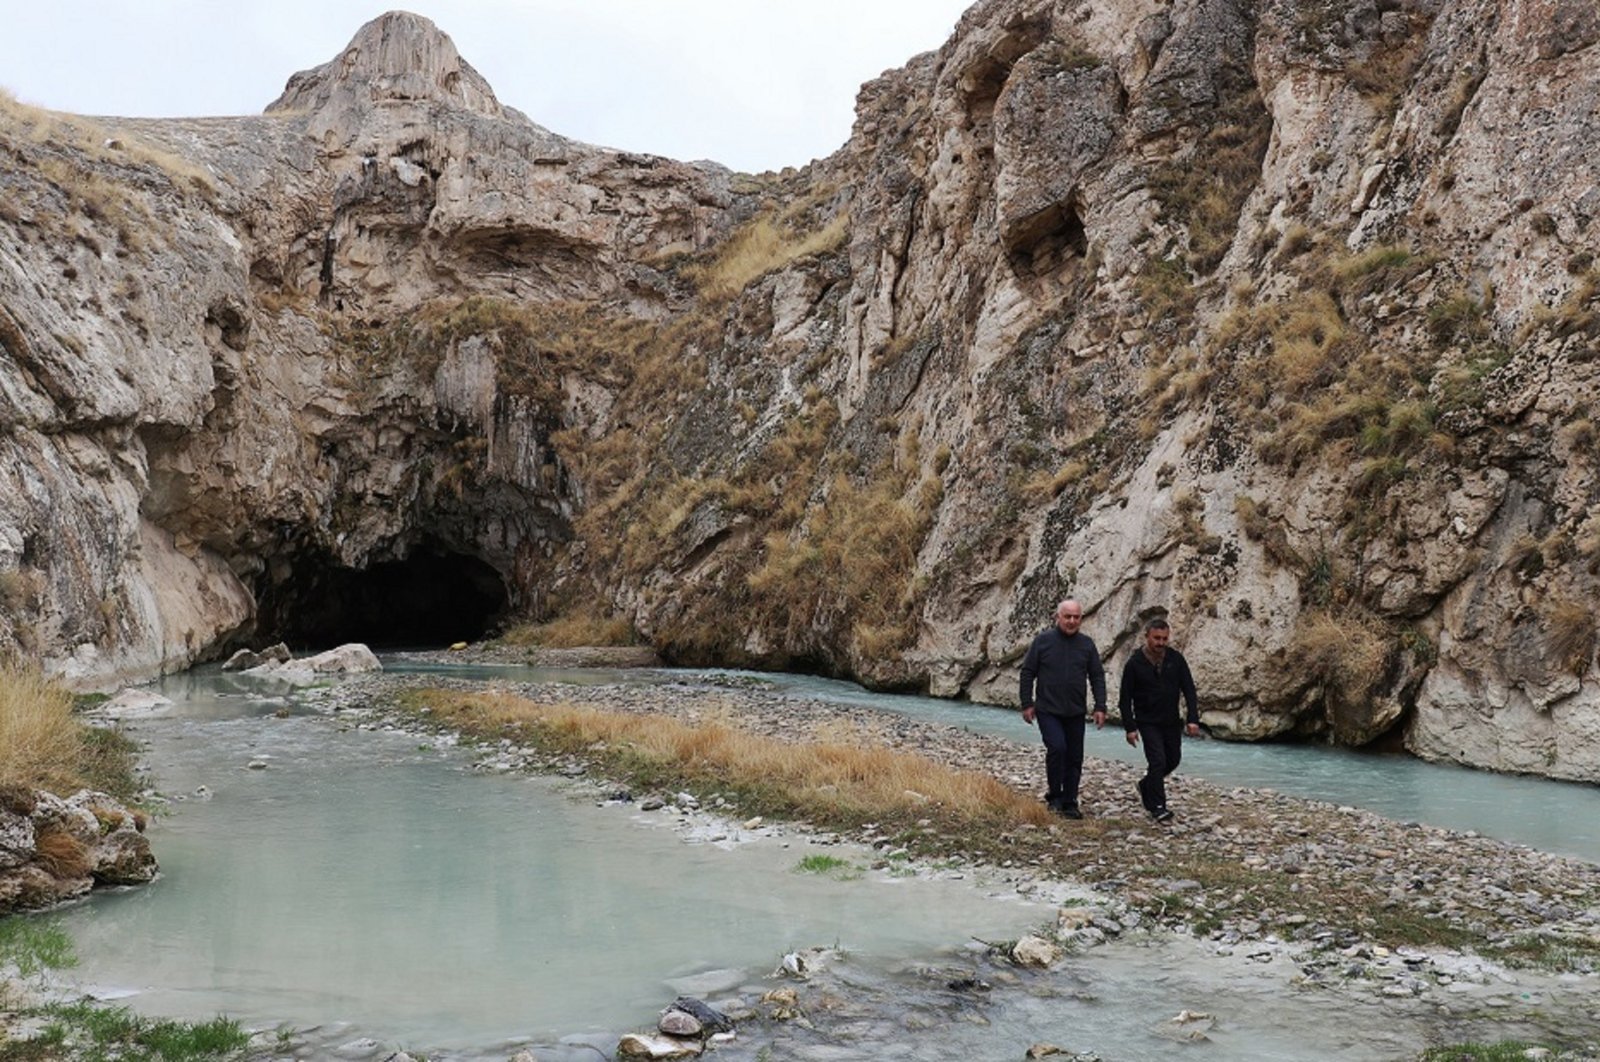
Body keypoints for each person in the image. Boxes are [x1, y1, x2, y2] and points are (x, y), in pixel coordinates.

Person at [1019, 598, 1107, 819]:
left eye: (1076, 617)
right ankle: (1055, 797)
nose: (1071, 621)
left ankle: (1070, 801)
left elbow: (1096, 676)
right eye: (1067, 616)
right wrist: (1026, 703)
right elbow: (1028, 672)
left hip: (1076, 711)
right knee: (1057, 749)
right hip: (1048, 709)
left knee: (1075, 757)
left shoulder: (1087, 645)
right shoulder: (1042, 641)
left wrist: (1100, 706)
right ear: (1058, 617)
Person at [1119, 617, 1200, 823]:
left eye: (1164, 638)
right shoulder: (1134, 664)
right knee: (1157, 761)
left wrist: (1192, 719)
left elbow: (1189, 690)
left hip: (1171, 721)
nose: (1160, 642)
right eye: (1156, 638)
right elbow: (1125, 698)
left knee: (1173, 760)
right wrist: (1130, 727)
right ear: (1147, 637)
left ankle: (1147, 785)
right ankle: (1157, 806)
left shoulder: (1176, 659)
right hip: (1147, 721)